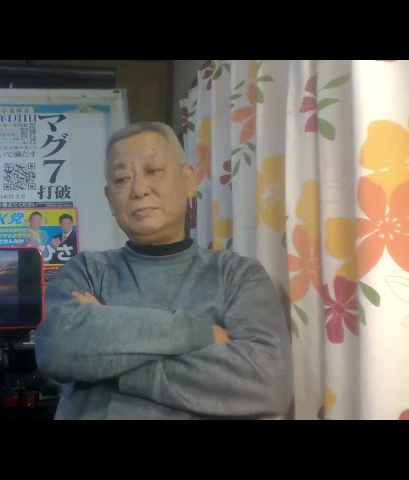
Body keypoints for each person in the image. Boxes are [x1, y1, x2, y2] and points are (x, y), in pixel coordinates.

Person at [34, 121, 293, 420]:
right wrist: (201, 333)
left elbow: (266, 384)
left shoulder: (237, 275)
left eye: (153, 171)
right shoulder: (87, 270)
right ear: (109, 199)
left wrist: (105, 363)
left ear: (188, 179)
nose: (139, 190)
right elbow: (55, 348)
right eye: (122, 179)